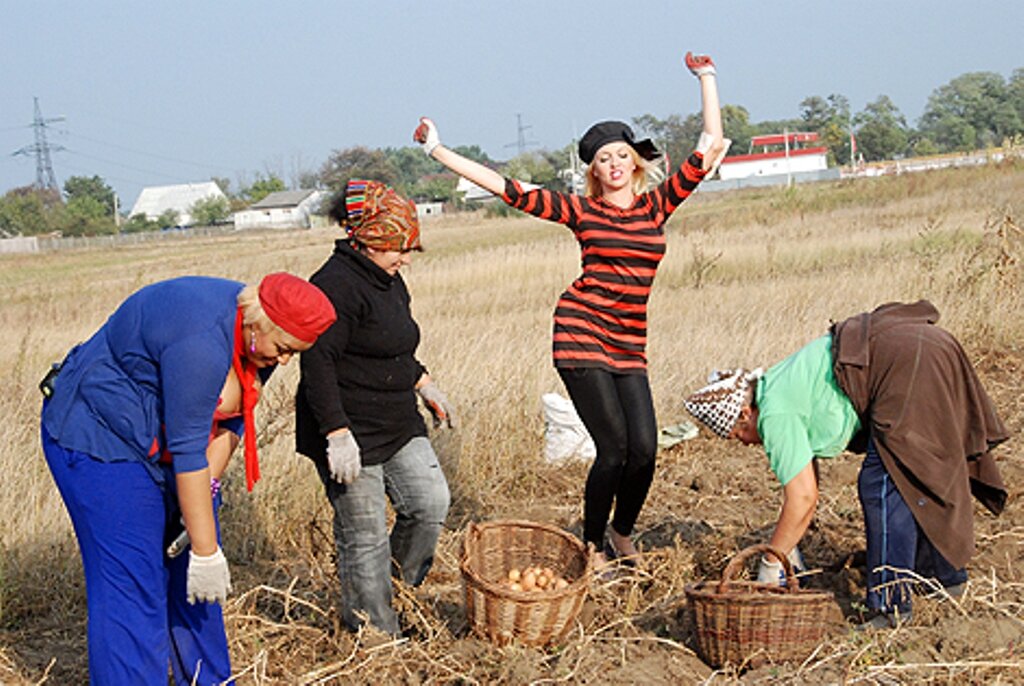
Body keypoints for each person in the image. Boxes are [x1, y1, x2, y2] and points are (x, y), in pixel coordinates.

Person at [412, 52, 729, 565]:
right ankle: (590, 544)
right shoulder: (581, 210)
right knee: (614, 447)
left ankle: (621, 533)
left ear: (635, 162)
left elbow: (709, 144)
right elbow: (507, 188)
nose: (614, 165)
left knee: (645, 448)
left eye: (622, 156)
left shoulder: (658, 205)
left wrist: (706, 77)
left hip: (628, 340)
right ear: (594, 172)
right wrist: (438, 150)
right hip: (580, 332)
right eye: (604, 160)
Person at [40, 273, 336, 685]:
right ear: (259, 324)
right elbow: (188, 449)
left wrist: (201, 506)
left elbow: (234, 420)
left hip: (167, 444)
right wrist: (206, 547)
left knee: (196, 585)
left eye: (295, 353)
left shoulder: (259, 341)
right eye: (285, 349)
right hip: (99, 440)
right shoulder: (200, 342)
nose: (286, 361)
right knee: (133, 587)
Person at [684, 300, 1009, 629]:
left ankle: (889, 606)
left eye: (737, 434)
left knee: (881, 483)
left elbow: (803, 498)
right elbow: (807, 487)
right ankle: (943, 575)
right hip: (925, 346)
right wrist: (789, 545)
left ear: (743, 413)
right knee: (917, 471)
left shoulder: (774, 413)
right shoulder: (778, 383)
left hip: (907, 362)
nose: (743, 442)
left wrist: (771, 563)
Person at [296, 179, 454, 636]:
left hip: (397, 418)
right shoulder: (334, 286)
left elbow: (394, 343)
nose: (405, 259)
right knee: (363, 537)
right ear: (368, 241)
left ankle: (395, 594)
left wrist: (424, 382)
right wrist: (336, 434)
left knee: (430, 503)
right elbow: (318, 364)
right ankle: (376, 635)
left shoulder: (388, 278)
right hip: (348, 428)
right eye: (398, 249)